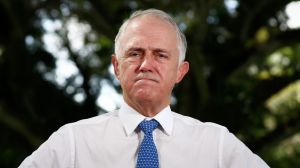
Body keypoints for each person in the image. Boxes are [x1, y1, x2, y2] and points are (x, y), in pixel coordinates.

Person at [19, 9, 270, 168]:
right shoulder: (72, 142)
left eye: (160, 55)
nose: (146, 65)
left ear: (180, 72)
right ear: (117, 67)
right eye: (135, 53)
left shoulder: (217, 145)